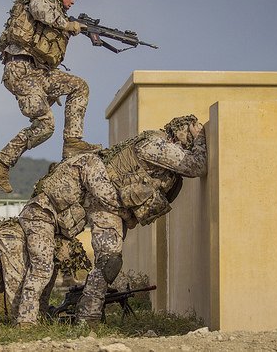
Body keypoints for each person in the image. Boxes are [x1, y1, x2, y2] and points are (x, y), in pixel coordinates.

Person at [74, 114, 208, 325]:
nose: (188, 145)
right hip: (105, 205)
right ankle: (86, 316)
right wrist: (200, 139)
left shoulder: (157, 142)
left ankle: (87, 310)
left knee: (108, 261)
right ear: (180, 136)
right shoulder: (158, 146)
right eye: (188, 139)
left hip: (114, 206)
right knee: (109, 261)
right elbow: (197, 167)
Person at [0, 0, 101, 194]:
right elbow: (42, 12)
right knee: (45, 125)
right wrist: (69, 25)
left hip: (40, 73)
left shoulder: (55, 11)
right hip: (20, 70)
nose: (72, 1)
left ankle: (72, 143)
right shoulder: (40, 0)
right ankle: (1, 162)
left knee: (79, 86)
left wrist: (51, 88)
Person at [15, 153, 125, 327]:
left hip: (52, 224)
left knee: (51, 269)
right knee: (42, 268)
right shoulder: (86, 167)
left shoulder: (82, 185)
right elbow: (106, 196)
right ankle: (25, 320)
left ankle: (41, 314)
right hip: (40, 216)